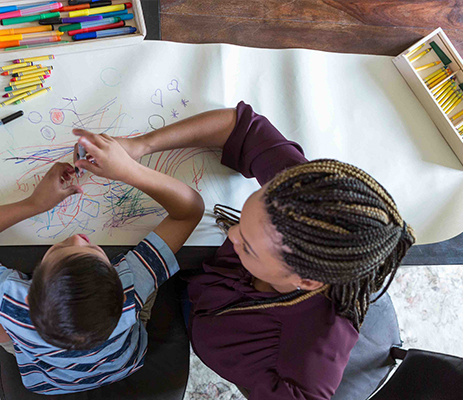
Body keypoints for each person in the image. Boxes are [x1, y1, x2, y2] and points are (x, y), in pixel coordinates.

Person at [112, 101, 416, 399]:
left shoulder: (309, 362)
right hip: (202, 289)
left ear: (306, 281)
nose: (231, 233)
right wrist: (141, 145)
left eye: (248, 245)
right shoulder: (296, 203)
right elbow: (240, 126)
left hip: (202, 318)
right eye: (242, 220)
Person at [0, 129, 204, 394]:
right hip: (124, 363)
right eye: (91, 250)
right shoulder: (130, 287)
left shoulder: (11, 301)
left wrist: (34, 204)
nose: (77, 237)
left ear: (27, 290)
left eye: (61, 249)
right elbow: (189, 211)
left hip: (47, 381)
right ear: (120, 288)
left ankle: (21, 347)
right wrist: (127, 171)